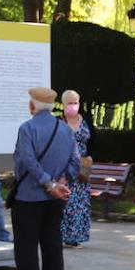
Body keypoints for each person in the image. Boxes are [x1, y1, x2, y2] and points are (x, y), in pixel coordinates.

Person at [8, 87, 79, 270]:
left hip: (29, 196)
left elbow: (28, 161)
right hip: (55, 199)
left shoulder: (27, 129)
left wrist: (48, 183)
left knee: (26, 244)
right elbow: (75, 160)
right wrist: (63, 181)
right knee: (53, 242)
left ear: (33, 105)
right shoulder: (66, 130)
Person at [59, 89, 93, 248]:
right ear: (63, 104)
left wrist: (90, 157)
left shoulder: (86, 120)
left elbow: (93, 141)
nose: (73, 106)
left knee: (80, 203)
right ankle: (62, 235)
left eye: (75, 102)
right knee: (66, 202)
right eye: (69, 103)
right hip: (64, 166)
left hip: (82, 167)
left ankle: (76, 236)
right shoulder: (59, 121)